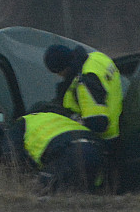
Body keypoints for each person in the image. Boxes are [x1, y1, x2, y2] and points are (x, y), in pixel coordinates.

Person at [43, 43, 123, 184]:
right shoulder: (97, 58)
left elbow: (98, 122)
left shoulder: (84, 82)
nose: (59, 76)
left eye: (57, 72)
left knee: (95, 184)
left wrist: (72, 120)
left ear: (63, 68)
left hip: (104, 140)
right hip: (119, 124)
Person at [3, 110, 104, 193]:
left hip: (67, 151)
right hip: (96, 149)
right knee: (86, 193)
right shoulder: (61, 119)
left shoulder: (22, 123)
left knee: (37, 191)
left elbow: (11, 154)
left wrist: (24, 175)